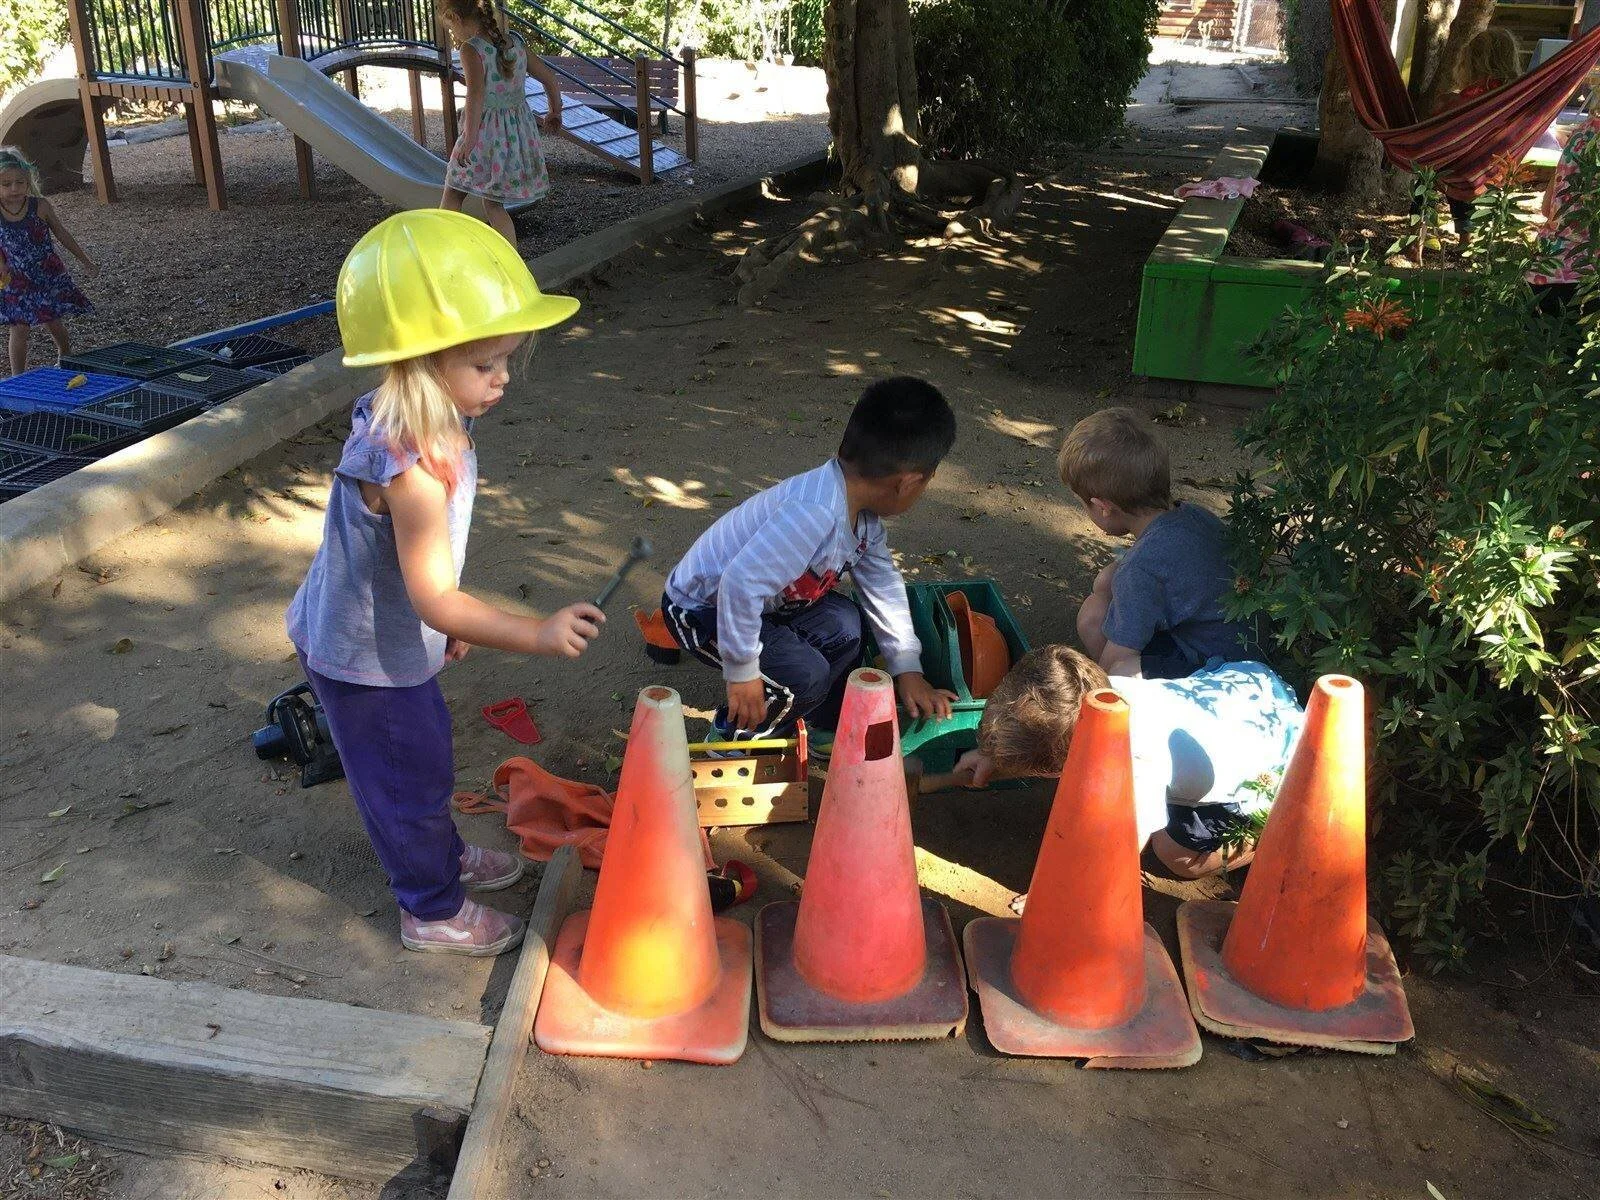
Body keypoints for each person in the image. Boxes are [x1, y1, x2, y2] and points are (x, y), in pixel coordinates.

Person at [287, 208, 603, 957]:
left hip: (386, 639)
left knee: (420, 760)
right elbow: (432, 592)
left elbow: (420, 575)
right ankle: (430, 908)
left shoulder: (427, 421)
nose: (502, 379)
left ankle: (441, 854)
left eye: (506, 360)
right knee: (405, 781)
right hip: (364, 660)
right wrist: (533, 632)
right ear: (421, 361)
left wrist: (442, 627)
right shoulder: (412, 467)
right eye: (485, 364)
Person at [662, 377, 959, 743]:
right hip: (701, 610)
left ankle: (819, 726)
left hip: (764, 604)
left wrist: (907, 669)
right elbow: (739, 584)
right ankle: (732, 742)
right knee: (805, 675)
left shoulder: (864, 519)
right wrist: (742, 670)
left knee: (848, 623)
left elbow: (883, 587)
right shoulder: (814, 513)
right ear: (907, 483)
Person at [949, 645, 1304, 881]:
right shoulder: (1101, 693)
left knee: (1175, 854)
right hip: (1248, 691)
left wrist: (1063, 893)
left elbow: (1124, 848)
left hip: (1273, 763)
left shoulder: (1138, 764)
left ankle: (1274, 832)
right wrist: (992, 755)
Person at [1060, 408, 1250, 680]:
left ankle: (1132, 704)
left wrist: (1103, 685)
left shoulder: (1141, 569)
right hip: (1233, 643)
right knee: (1108, 580)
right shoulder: (1194, 515)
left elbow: (1116, 663)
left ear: (1103, 507)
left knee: (1096, 625)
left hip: (1215, 672)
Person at [437, 0, 562, 246]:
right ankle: (511, 261)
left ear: (455, 17)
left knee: (453, 191)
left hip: (484, 137)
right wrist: (554, 111)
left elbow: (476, 97)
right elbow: (550, 78)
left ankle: (442, 249)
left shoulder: (472, 49)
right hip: (515, 137)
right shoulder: (516, 43)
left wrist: (469, 140)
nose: (453, 34)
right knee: (494, 205)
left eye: (451, 28)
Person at [0, 146, 96, 377]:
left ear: (28, 181)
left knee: (52, 320)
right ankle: (17, 377)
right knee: (19, 327)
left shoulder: (40, 206)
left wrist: (85, 260)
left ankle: (65, 354)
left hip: (46, 275)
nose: (14, 188)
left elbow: (62, 233)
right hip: (15, 279)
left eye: (20, 182)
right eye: (6, 184)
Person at [1436, 29, 1521, 240]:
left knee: (1438, 171)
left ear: (1473, 62)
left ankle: (1417, 235)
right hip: (1497, 164)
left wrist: (1446, 102)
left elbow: (1455, 117)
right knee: (1463, 173)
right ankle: (1469, 238)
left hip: (1470, 164)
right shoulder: (1516, 93)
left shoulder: (1477, 92)